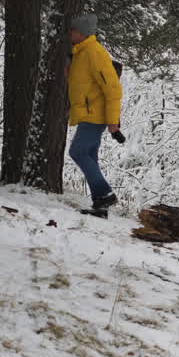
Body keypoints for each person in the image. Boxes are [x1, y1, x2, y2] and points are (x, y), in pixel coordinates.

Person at [66, 12, 123, 216]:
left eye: (72, 30)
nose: (69, 33)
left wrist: (113, 121)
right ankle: (100, 205)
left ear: (81, 32)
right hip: (88, 114)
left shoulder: (94, 53)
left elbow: (112, 88)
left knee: (78, 152)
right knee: (89, 155)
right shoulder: (81, 53)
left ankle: (105, 194)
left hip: (96, 115)